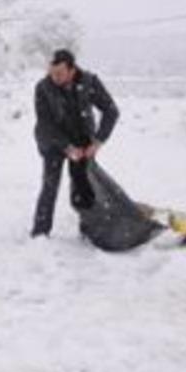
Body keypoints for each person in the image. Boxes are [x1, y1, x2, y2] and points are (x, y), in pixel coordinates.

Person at [31, 49, 120, 238]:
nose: (54, 77)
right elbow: (45, 124)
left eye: (60, 73)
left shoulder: (89, 82)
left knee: (83, 185)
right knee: (50, 185)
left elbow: (111, 111)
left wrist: (97, 141)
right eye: (51, 72)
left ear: (72, 70)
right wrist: (67, 147)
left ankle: (88, 229)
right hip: (53, 142)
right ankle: (40, 231)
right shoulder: (43, 87)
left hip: (83, 141)